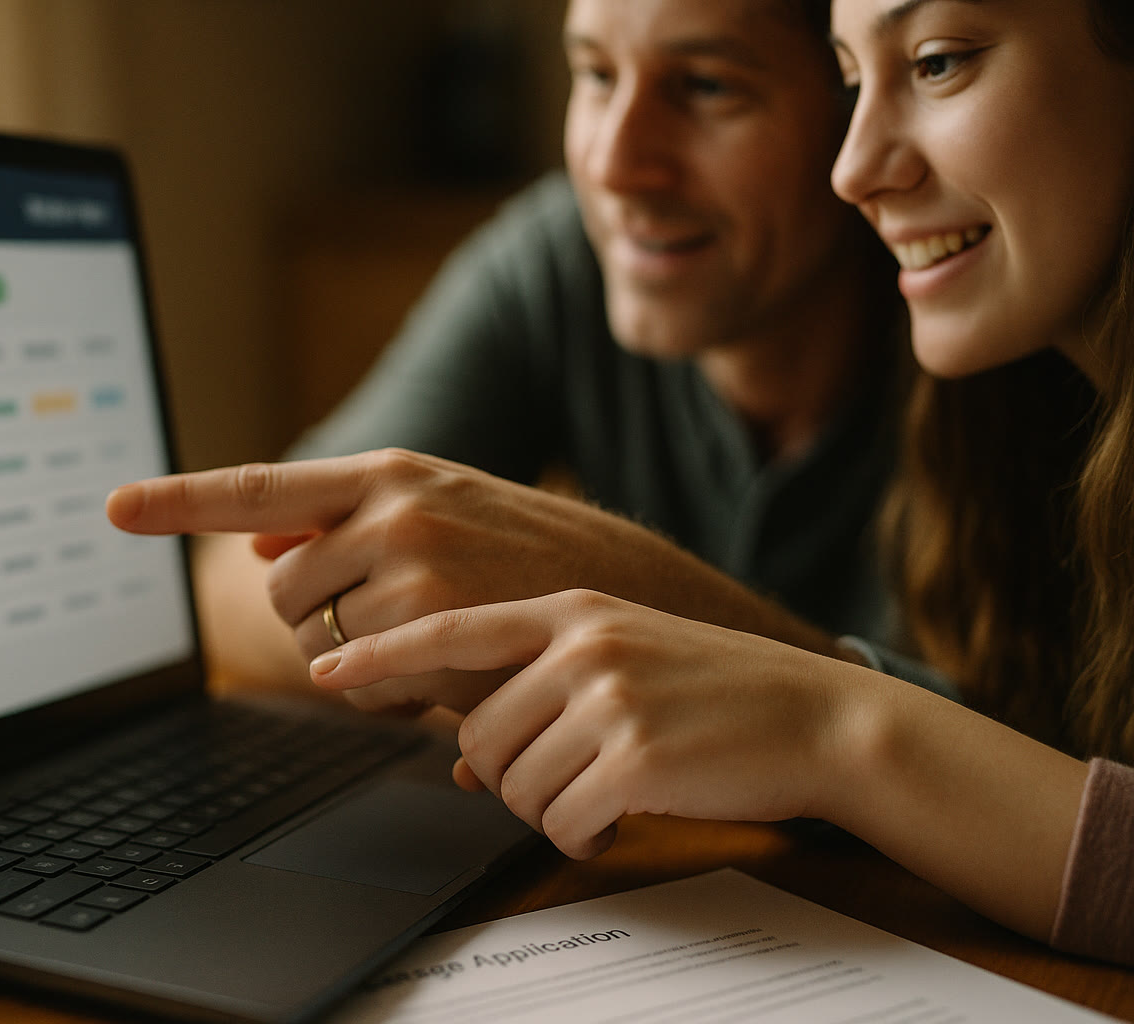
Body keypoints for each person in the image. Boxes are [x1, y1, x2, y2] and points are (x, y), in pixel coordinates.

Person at [282, 0, 1134, 965]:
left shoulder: (993, 321)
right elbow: (255, 559)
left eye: (937, 63)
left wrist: (815, 712)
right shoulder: (993, 344)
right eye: (594, 74)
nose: (614, 163)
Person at [150, 0, 953, 714]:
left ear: (858, 106)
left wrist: (633, 604)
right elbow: (232, 589)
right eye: (596, 74)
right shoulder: (563, 255)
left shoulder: (979, 306)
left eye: (707, 86)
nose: (613, 163)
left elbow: (1061, 781)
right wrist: (449, 627)